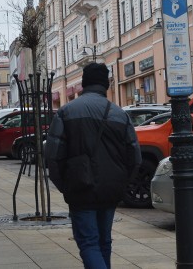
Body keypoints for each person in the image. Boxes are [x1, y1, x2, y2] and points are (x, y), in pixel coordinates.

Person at [45, 63, 141, 269]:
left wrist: (66, 186)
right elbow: (135, 157)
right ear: (105, 85)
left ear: (84, 84)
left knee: (88, 242)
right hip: (111, 188)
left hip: (80, 186)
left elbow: (53, 157)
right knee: (104, 241)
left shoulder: (66, 112)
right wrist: (121, 185)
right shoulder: (119, 114)